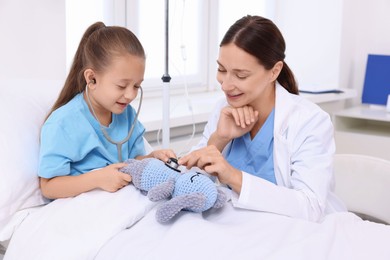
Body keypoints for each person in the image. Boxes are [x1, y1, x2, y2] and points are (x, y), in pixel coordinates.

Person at [178, 15, 346, 222]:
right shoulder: (224, 109)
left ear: (274, 71)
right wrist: (219, 138)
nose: (225, 85)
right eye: (222, 70)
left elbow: (310, 207)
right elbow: (189, 184)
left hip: (294, 232)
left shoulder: (309, 120)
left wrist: (233, 176)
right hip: (239, 228)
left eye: (240, 75)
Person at [38, 22, 175, 199]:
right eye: (122, 86)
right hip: (82, 203)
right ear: (92, 79)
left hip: (123, 199)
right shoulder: (63, 123)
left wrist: (152, 158)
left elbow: (130, 163)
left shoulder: (126, 115)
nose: (130, 95)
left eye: (136, 86)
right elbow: (49, 187)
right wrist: (97, 179)